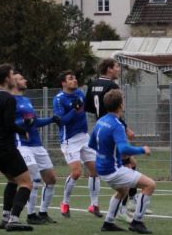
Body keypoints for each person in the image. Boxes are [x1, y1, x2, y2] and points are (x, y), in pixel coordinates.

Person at [89, 89, 155, 234]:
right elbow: (124, 147)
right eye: (123, 101)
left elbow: (92, 144)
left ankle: (108, 223)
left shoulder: (101, 121)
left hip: (101, 168)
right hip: (113, 170)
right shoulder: (116, 124)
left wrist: (112, 155)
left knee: (123, 190)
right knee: (150, 185)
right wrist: (142, 150)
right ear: (120, 105)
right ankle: (137, 222)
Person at [84, 58, 139, 222]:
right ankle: (125, 207)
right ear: (109, 69)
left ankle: (129, 204)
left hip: (101, 127)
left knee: (131, 164)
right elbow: (115, 111)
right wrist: (126, 127)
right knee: (129, 165)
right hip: (113, 128)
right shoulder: (112, 87)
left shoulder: (92, 84)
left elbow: (88, 108)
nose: (119, 69)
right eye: (116, 67)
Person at [0, 64, 33, 231]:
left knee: (12, 180)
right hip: (5, 146)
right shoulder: (8, 98)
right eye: (12, 75)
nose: (14, 78)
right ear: (6, 79)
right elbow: (9, 124)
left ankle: (5, 217)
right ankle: (14, 219)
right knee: (26, 183)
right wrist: (23, 131)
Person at [53, 70, 101, 218]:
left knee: (95, 171)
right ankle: (65, 202)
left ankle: (94, 205)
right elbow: (61, 121)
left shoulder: (80, 93)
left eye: (75, 78)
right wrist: (74, 109)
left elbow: (87, 108)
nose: (74, 80)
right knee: (76, 173)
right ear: (63, 83)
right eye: (70, 78)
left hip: (84, 137)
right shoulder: (59, 99)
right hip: (69, 140)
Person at [13, 72, 59, 224]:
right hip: (22, 144)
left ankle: (43, 212)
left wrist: (51, 119)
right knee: (34, 178)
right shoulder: (9, 100)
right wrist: (24, 123)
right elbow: (10, 123)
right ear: (12, 82)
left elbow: (34, 122)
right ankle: (31, 215)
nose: (24, 80)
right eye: (20, 78)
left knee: (51, 179)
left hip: (37, 144)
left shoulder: (26, 100)